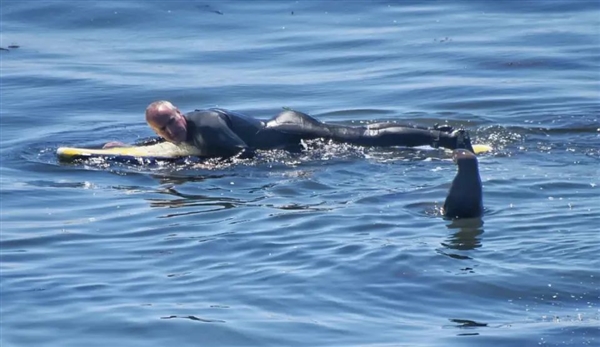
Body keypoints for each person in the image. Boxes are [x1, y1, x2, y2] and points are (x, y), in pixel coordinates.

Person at [110, 100, 474, 158]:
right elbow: (164, 146)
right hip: (282, 129)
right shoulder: (184, 134)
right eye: (163, 128)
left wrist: (196, 170)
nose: (171, 129)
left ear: (180, 113)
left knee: (364, 138)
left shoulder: (204, 125)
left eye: (172, 120)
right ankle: (437, 132)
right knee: (360, 131)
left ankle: (444, 138)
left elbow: (243, 156)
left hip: (288, 131)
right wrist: (126, 148)